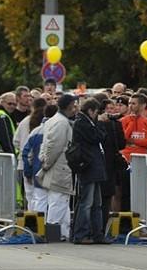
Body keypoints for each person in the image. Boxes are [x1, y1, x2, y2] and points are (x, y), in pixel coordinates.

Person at [38, 94, 77, 241]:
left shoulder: (54, 120)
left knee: (62, 201)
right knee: (58, 200)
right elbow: (54, 146)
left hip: (57, 165)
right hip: (59, 166)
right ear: (69, 106)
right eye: (74, 105)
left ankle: (63, 232)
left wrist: (44, 160)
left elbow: (46, 144)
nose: (75, 109)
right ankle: (53, 232)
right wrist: (47, 163)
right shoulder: (61, 123)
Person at [72, 98, 108, 244]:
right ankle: (81, 234)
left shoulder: (86, 122)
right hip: (88, 166)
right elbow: (97, 137)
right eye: (96, 112)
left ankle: (97, 233)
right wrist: (101, 123)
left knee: (96, 203)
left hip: (94, 166)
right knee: (86, 202)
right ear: (91, 111)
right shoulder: (82, 123)